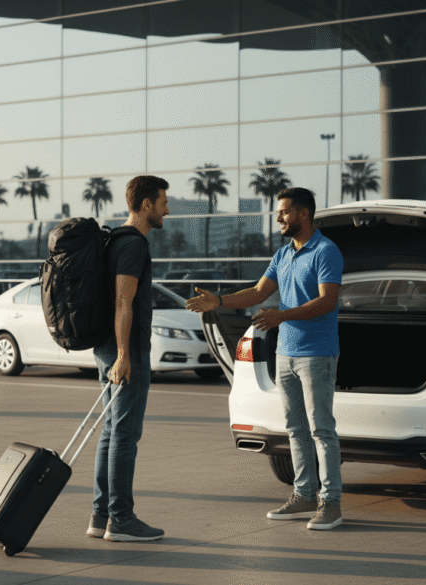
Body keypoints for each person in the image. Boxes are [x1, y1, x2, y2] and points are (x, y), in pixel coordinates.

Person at [186, 187, 344, 530]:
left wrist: (282, 316)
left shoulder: (326, 251)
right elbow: (258, 293)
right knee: (296, 429)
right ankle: (304, 495)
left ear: (303, 214)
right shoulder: (284, 254)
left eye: (284, 211)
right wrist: (219, 301)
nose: (278, 218)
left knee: (322, 430)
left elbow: (327, 301)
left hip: (317, 354)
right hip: (285, 354)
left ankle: (330, 504)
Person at [86, 175, 169, 543]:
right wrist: (124, 354)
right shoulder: (133, 245)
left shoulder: (112, 240)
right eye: (163, 202)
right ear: (146, 204)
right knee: (124, 434)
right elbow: (124, 301)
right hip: (125, 350)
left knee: (111, 432)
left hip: (107, 347)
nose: (167, 209)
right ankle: (120, 519)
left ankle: (101, 514)